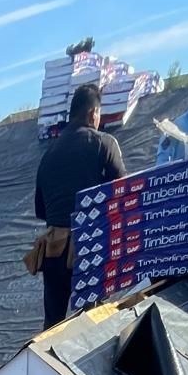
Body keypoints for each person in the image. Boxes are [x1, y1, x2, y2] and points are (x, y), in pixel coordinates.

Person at [28, 84, 125, 330]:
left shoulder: (48, 155)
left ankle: (47, 367)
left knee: (52, 329)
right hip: (88, 247)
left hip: (53, 250)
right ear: (93, 112)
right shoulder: (103, 143)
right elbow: (124, 191)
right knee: (94, 324)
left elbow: (41, 210)